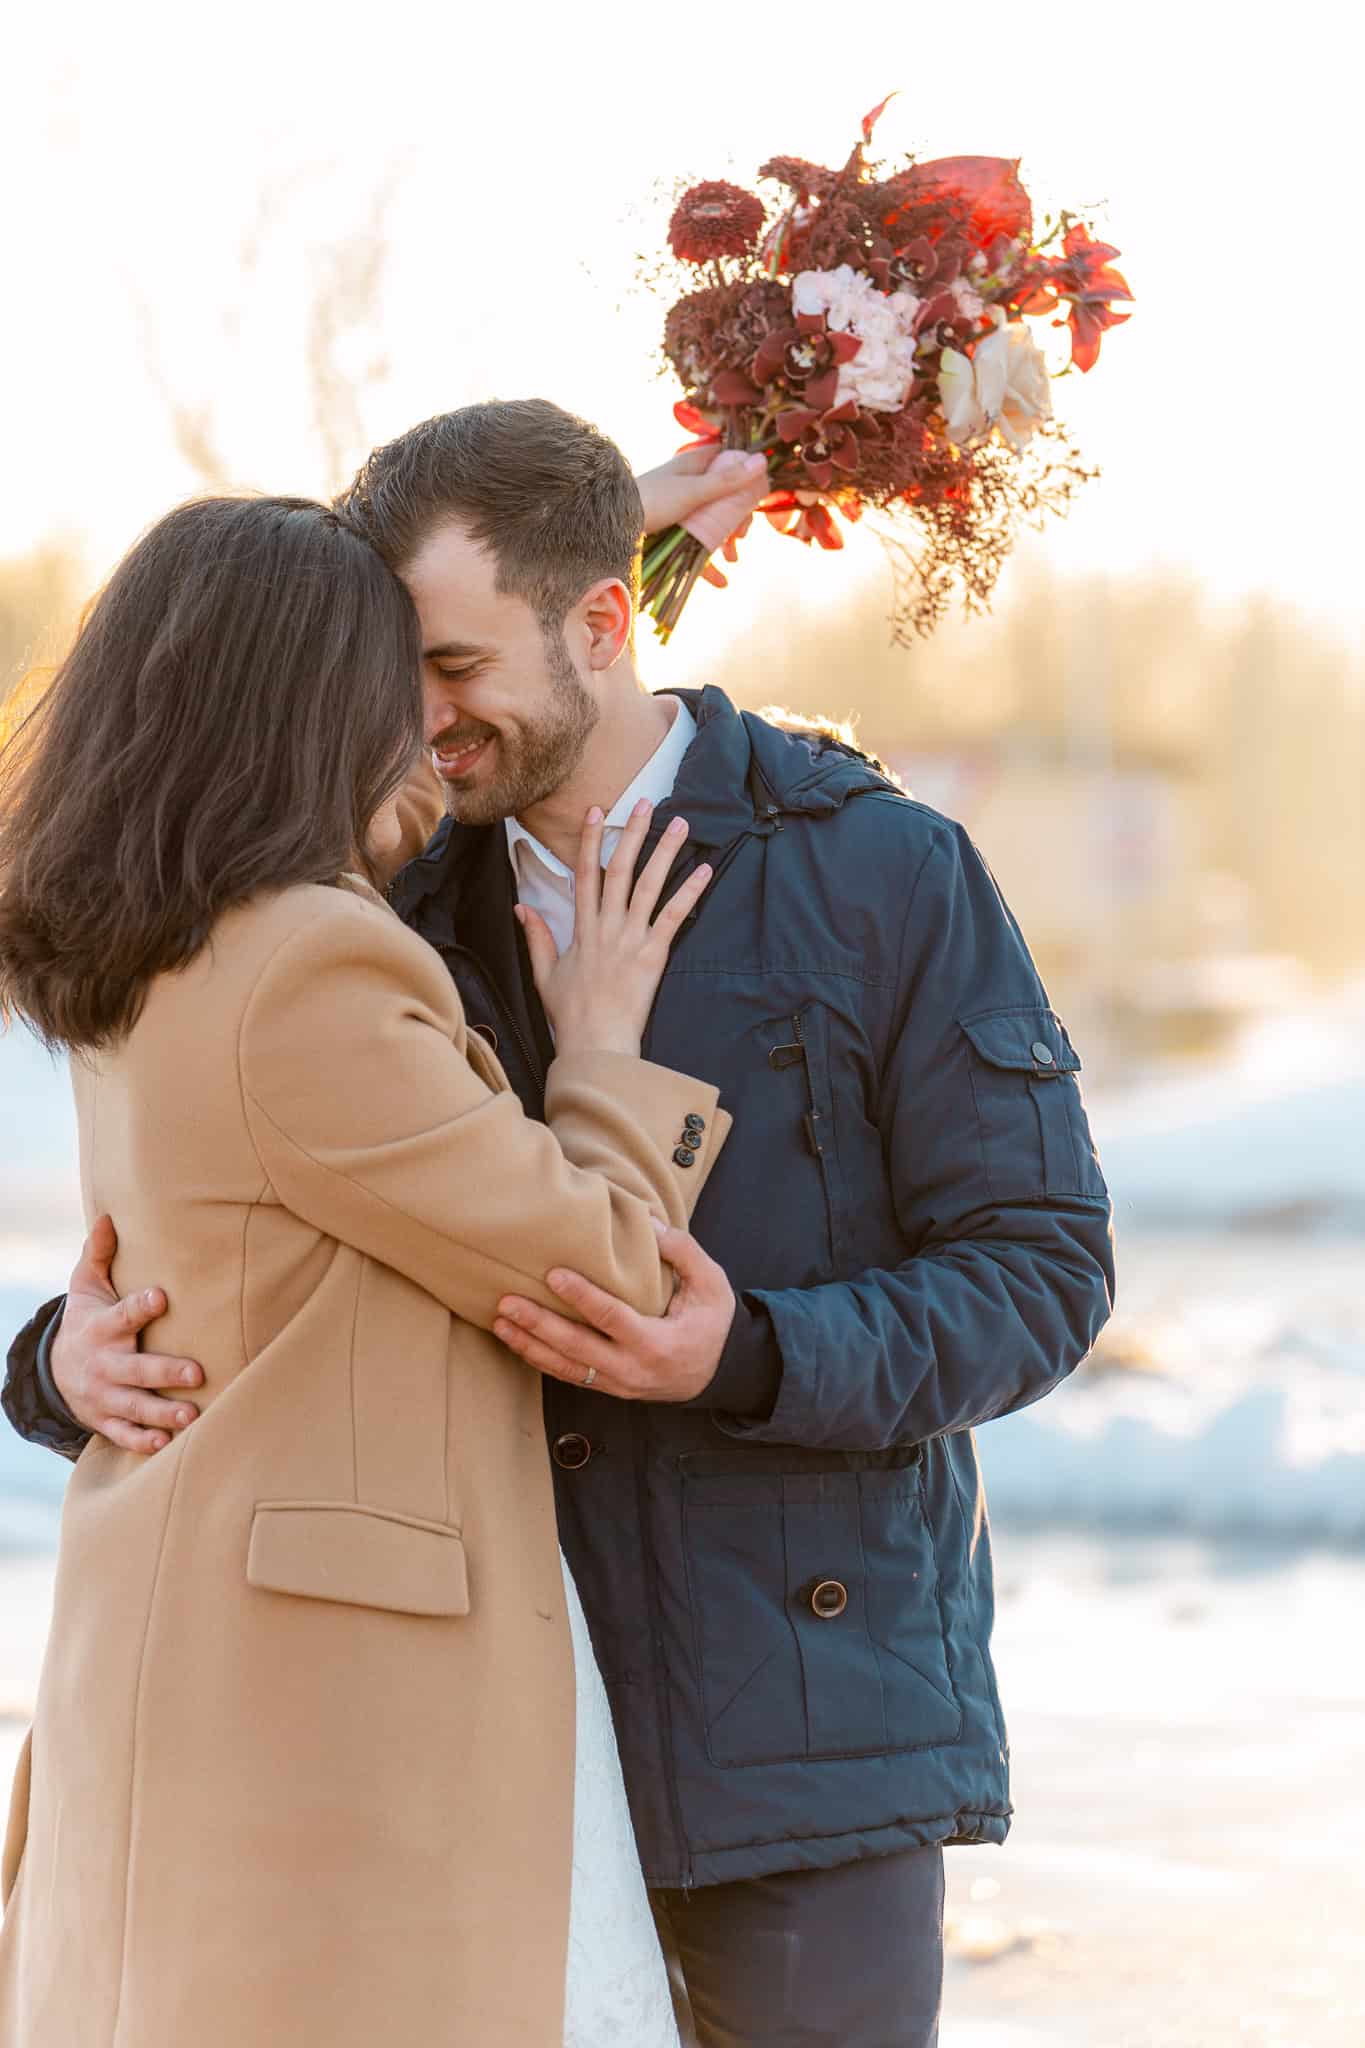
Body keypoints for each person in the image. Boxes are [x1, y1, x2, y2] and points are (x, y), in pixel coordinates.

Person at [4, 405, 1116, 2047]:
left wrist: (745, 1354)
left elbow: (1039, 1272)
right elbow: (232, 1204)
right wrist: (59, 1359)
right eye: (387, 672)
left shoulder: (875, 872)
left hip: (795, 1720)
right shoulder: (367, 888)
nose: (416, 717)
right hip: (452, 1723)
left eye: (446, 665)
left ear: (602, 621)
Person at [0, 492, 733, 2046]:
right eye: (394, 677)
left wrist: (639, 513)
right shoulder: (308, 966)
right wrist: (604, 1055)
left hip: (183, 1643)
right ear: (311, 700)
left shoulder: (151, 943)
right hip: (329, 1710)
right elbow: (613, 1272)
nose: (429, 719)